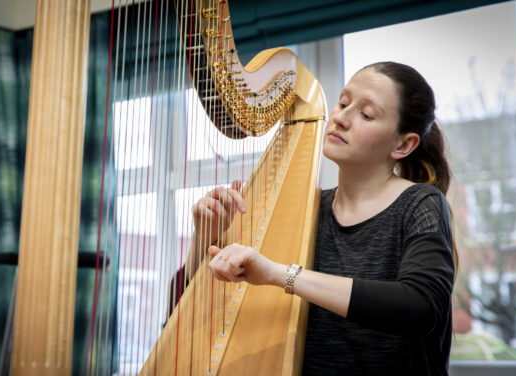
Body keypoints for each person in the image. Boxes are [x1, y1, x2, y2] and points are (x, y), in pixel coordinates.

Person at [177, 61, 457, 375]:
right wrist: (204, 237)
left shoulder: (420, 204)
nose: (340, 117)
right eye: (343, 102)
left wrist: (282, 275)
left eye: (365, 114)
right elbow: (184, 315)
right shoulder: (304, 212)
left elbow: (421, 307)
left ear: (403, 144)